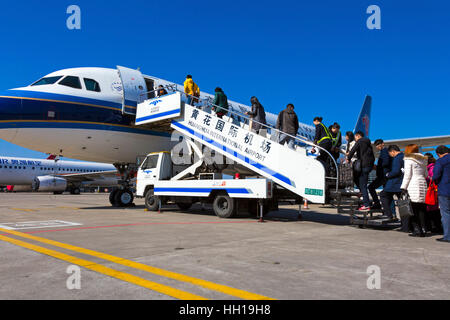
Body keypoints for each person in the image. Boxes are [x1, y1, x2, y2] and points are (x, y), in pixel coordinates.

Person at [400, 144, 429, 237]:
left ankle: (417, 230)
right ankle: (424, 229)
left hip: (413, 184)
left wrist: (403, 187)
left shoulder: (409, 160)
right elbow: (426, 174)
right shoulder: (423, 160)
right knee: (421, 208)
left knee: (412, 209)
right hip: (422, 183)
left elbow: (408, 175)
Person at [346, 131, 375, 211]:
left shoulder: (360, 141)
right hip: (368, 166)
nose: (355, 139)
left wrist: (348, 158)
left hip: (363, 166)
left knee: (363, 186)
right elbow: (373, 157)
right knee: (363, 184)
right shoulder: (368, 143)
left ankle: (366, 204)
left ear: (358, 136)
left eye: (355, 137)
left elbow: (353, 150)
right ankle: (365, 201)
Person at [380, 145, 405, 225]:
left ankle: (389, 215)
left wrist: (388, 175)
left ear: (393, 151)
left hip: (395, 183)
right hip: (401, 183)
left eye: (390, 154)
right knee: (402, 203)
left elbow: (396, 171)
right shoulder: (403, 156)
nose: (390, 155)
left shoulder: (397, 158)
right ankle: (405, 223)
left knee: (383, 195)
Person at [432, 145, 450, 243]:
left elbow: (436, 175)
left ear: (438, 154)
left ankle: (448, 236)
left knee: (446, 214)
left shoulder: (440, 161)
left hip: (445, 189)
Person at [368, 139, 391, 209]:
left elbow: (386, 162)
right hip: (383, 175)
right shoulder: (383, 152)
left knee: (371, 187)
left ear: (382, 144)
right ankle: (389, 211)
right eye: (376, 146)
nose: (377, 147)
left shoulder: (385, 151)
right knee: (388, 194)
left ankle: (377, 204)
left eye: (378, 145)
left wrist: (378, 167)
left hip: (383, 175)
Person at [424, 153, 442, 233]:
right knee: (433, 210)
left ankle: (435, 227)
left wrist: (425, 178)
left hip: (432, 191)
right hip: (433, 190)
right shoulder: (432, 166)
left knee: (432, 210)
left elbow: (432, 178)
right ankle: (435, 226)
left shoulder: (431, 168)